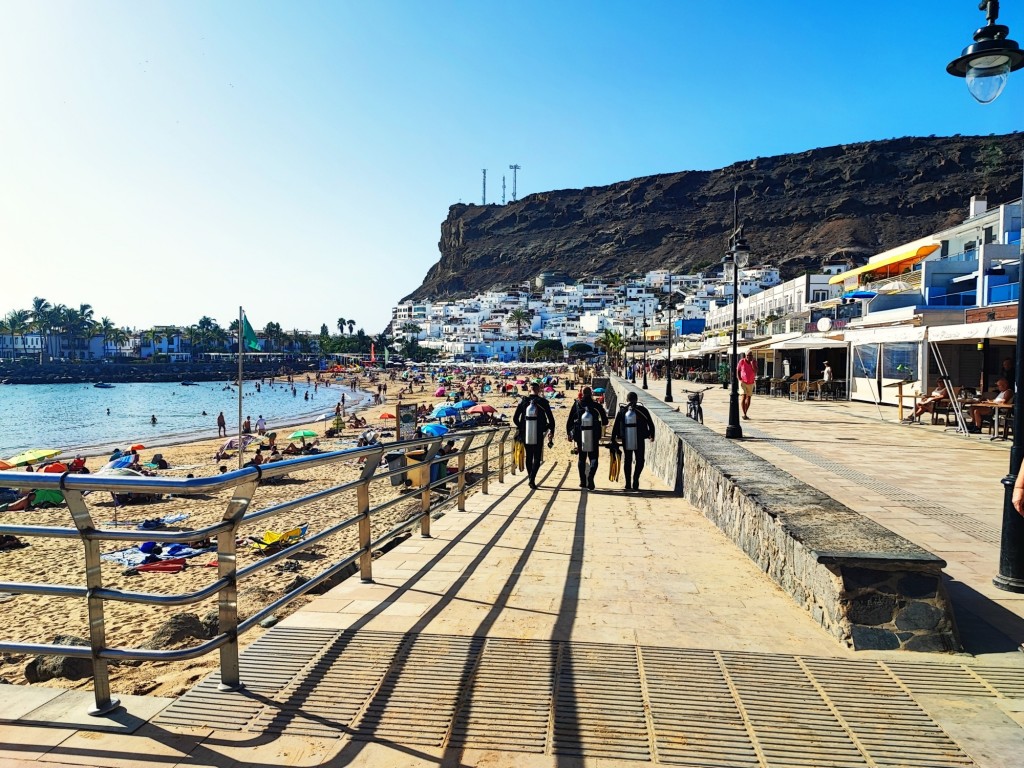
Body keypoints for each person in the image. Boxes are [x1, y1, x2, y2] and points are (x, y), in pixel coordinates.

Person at [513, 382, 555, 489]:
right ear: (539, 390)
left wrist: (522, 427)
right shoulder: (543, 402)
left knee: (529, 456)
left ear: (529, 389)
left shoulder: (523, 401)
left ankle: (530, 477)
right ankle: (532, 479)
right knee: (537, 457)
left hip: (525, 433)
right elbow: (551, 419)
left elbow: (515, 418)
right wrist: (551, 431)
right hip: (538, 432)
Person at [612, 392, 656, 491]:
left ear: (627, 400)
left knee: (628, 460)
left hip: (626, 439)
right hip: (640, 438)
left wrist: (613, 439)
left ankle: (628, 483)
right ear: (636, 399)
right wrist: (652, 435)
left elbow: (616, 426)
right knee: (640, 460)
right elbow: (650, 423)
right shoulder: (643, 410)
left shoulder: (623, 410)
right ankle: (635, 479)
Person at [566, 387, 608, 490]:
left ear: (582, 394)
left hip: (580, 435)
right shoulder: (597, 406)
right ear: (591, 394)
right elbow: (605, 421)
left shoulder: (577, 405)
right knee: (593, 458)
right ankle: (591, 477)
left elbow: (570, 421)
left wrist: (569, 433)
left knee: (582, 458)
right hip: (594, 435)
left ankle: (582, 481)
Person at [737, 351, 756, 419]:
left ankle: (746, 412)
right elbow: (738, 370)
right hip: (743, 381)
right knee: (744, 396)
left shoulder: (754, 362)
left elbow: (756, 371)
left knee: (749, 398)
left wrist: (752, 364)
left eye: (751, 355)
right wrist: (739, 378)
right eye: (748, 355)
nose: (749, 357)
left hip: (750, 382)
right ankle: (744, 413)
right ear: (746, 356)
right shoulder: (742, 361)